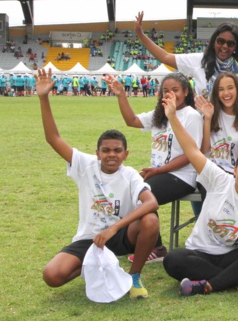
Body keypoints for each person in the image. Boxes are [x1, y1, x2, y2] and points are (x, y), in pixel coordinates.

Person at [36, 68, 159, 299]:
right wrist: (43, 98)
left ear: (126, 154)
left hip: (121, 237)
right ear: (97, 153)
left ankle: (134, 276)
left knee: (150, 220)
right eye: (106, 150)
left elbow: (151, 203)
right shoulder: (85, 165)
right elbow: (53, 138)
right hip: (89, 239)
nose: (111, 155)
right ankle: (92, 267)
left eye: (117, 150)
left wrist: (115, 227)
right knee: (52, 275)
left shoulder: (130, 174)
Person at [160, 91, 238, 296]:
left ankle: (207, 286)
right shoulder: (219, 179)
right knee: (173, 260)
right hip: (201, 253)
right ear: (234, 170)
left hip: (232, 255)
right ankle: (231, 278)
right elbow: (192, 150)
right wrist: (172, 117)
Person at [108, 72, 203, 263]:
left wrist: (159, 170)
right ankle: (148, 243)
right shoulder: (160, 114)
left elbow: (191, 155)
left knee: (144, 194)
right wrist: (121, 95)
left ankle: (157, 248)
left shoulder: (191, 116)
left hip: (183, 176)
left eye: (175, 90)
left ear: (185, 92)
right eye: (165, 90)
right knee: (134, 190)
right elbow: (131, 121)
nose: (170, 94)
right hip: (159, 174)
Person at [135, 11, 238, 100]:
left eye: (230, 43)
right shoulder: (200, 61)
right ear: (213, 42)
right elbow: (165, 57)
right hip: (206, 124)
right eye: (221, 41)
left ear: (236, 47)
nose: (225, 46)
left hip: (234, 125)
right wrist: (141, 35)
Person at [193, 72, 238, 215]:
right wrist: (207, 119)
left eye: (230, 88)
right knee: (213, 209)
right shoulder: (210, 113)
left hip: (234, 174)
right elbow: (203, 150)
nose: (226, 93)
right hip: (210, 172)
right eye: (221, 89)